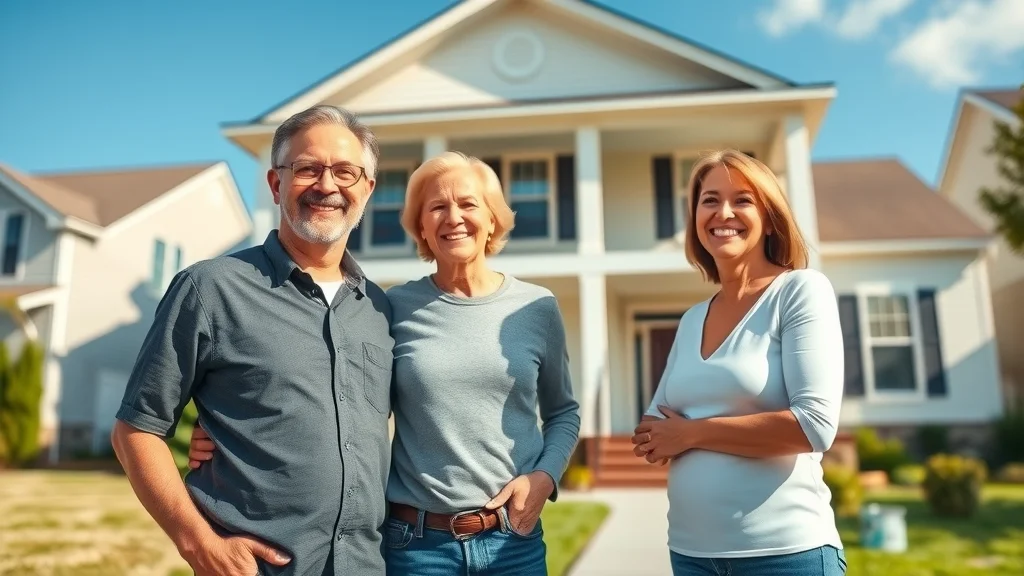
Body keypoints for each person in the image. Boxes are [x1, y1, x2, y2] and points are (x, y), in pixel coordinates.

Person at [189, 151, 581, 575]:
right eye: (437, 207)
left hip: (513, 542)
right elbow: (330, 383)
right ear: (422, 228)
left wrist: (545, 477)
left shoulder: (536, 307)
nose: (453, 217)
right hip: (417, 547)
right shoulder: (389, 308)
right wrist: (225, 428)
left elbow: (563, 412)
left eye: (468, 204)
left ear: (492, 218)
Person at [111, 104, 394, 576]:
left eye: (346, 171)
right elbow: (136, 430)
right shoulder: (210, 288)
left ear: (366, 189)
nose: (327, 185)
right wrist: (197, 542)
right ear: (276, 183)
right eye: (307, 169)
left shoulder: (381, 310)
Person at [631, 149, 847, 576]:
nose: (722, 212)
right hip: (692, 556)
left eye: (742, 200)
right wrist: (665, 436)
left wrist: (690, 433)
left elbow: (814, 426)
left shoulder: (799, 291)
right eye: (709, 200)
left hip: (785, 556)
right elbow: (653, 432)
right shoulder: (693, 318)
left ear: (769, 216)